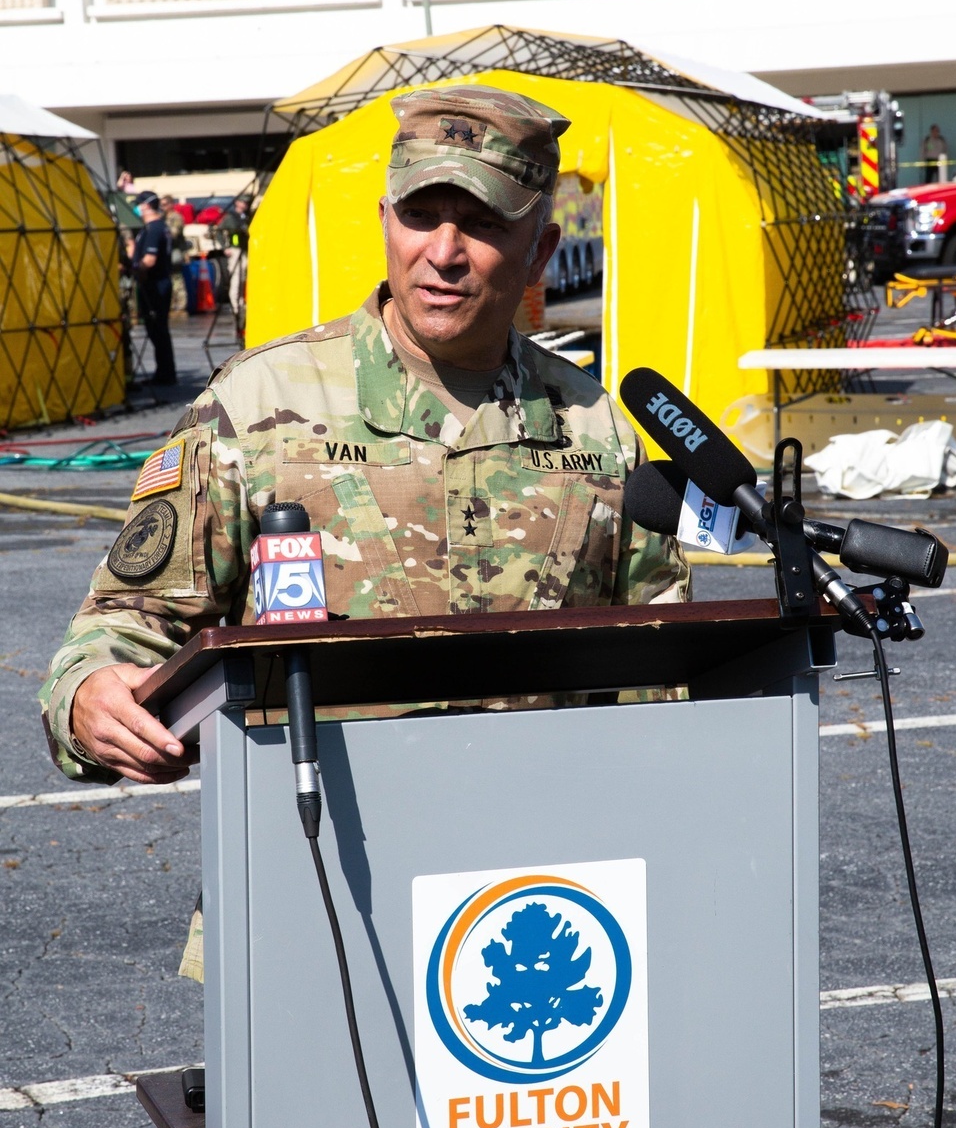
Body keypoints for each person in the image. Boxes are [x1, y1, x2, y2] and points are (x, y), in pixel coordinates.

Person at [39, 85, 689, 787]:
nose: (444, 252)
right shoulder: (259, 406)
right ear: (384, 222)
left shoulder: (597, 427)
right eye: (420, 216)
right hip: (314, 862)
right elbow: (125, 621)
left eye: (482, 222)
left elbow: (660, 673)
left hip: (537, 866)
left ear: (539, 252)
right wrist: (88, 695)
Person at [125, 191, 177, 386]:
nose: (137, 208)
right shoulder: (154, 228)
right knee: (156, 329)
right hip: (156, 282)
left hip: (156, 284)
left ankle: (166, 374)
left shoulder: (154, 229)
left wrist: (135, 269)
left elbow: (150, 259)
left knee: (157, 329)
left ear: (146, 206)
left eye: (138, 205)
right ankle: (163, 372)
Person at [160, 194, 189, 312]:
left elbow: (174, 234)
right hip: (165, 252)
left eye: (165, 204)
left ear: (171, 204)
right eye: (161, 205)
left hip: (175, 250)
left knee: (176, 278)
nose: (163, 207)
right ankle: (171, 303)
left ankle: (182, 303)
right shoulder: (162, 218)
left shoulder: (176, 217)